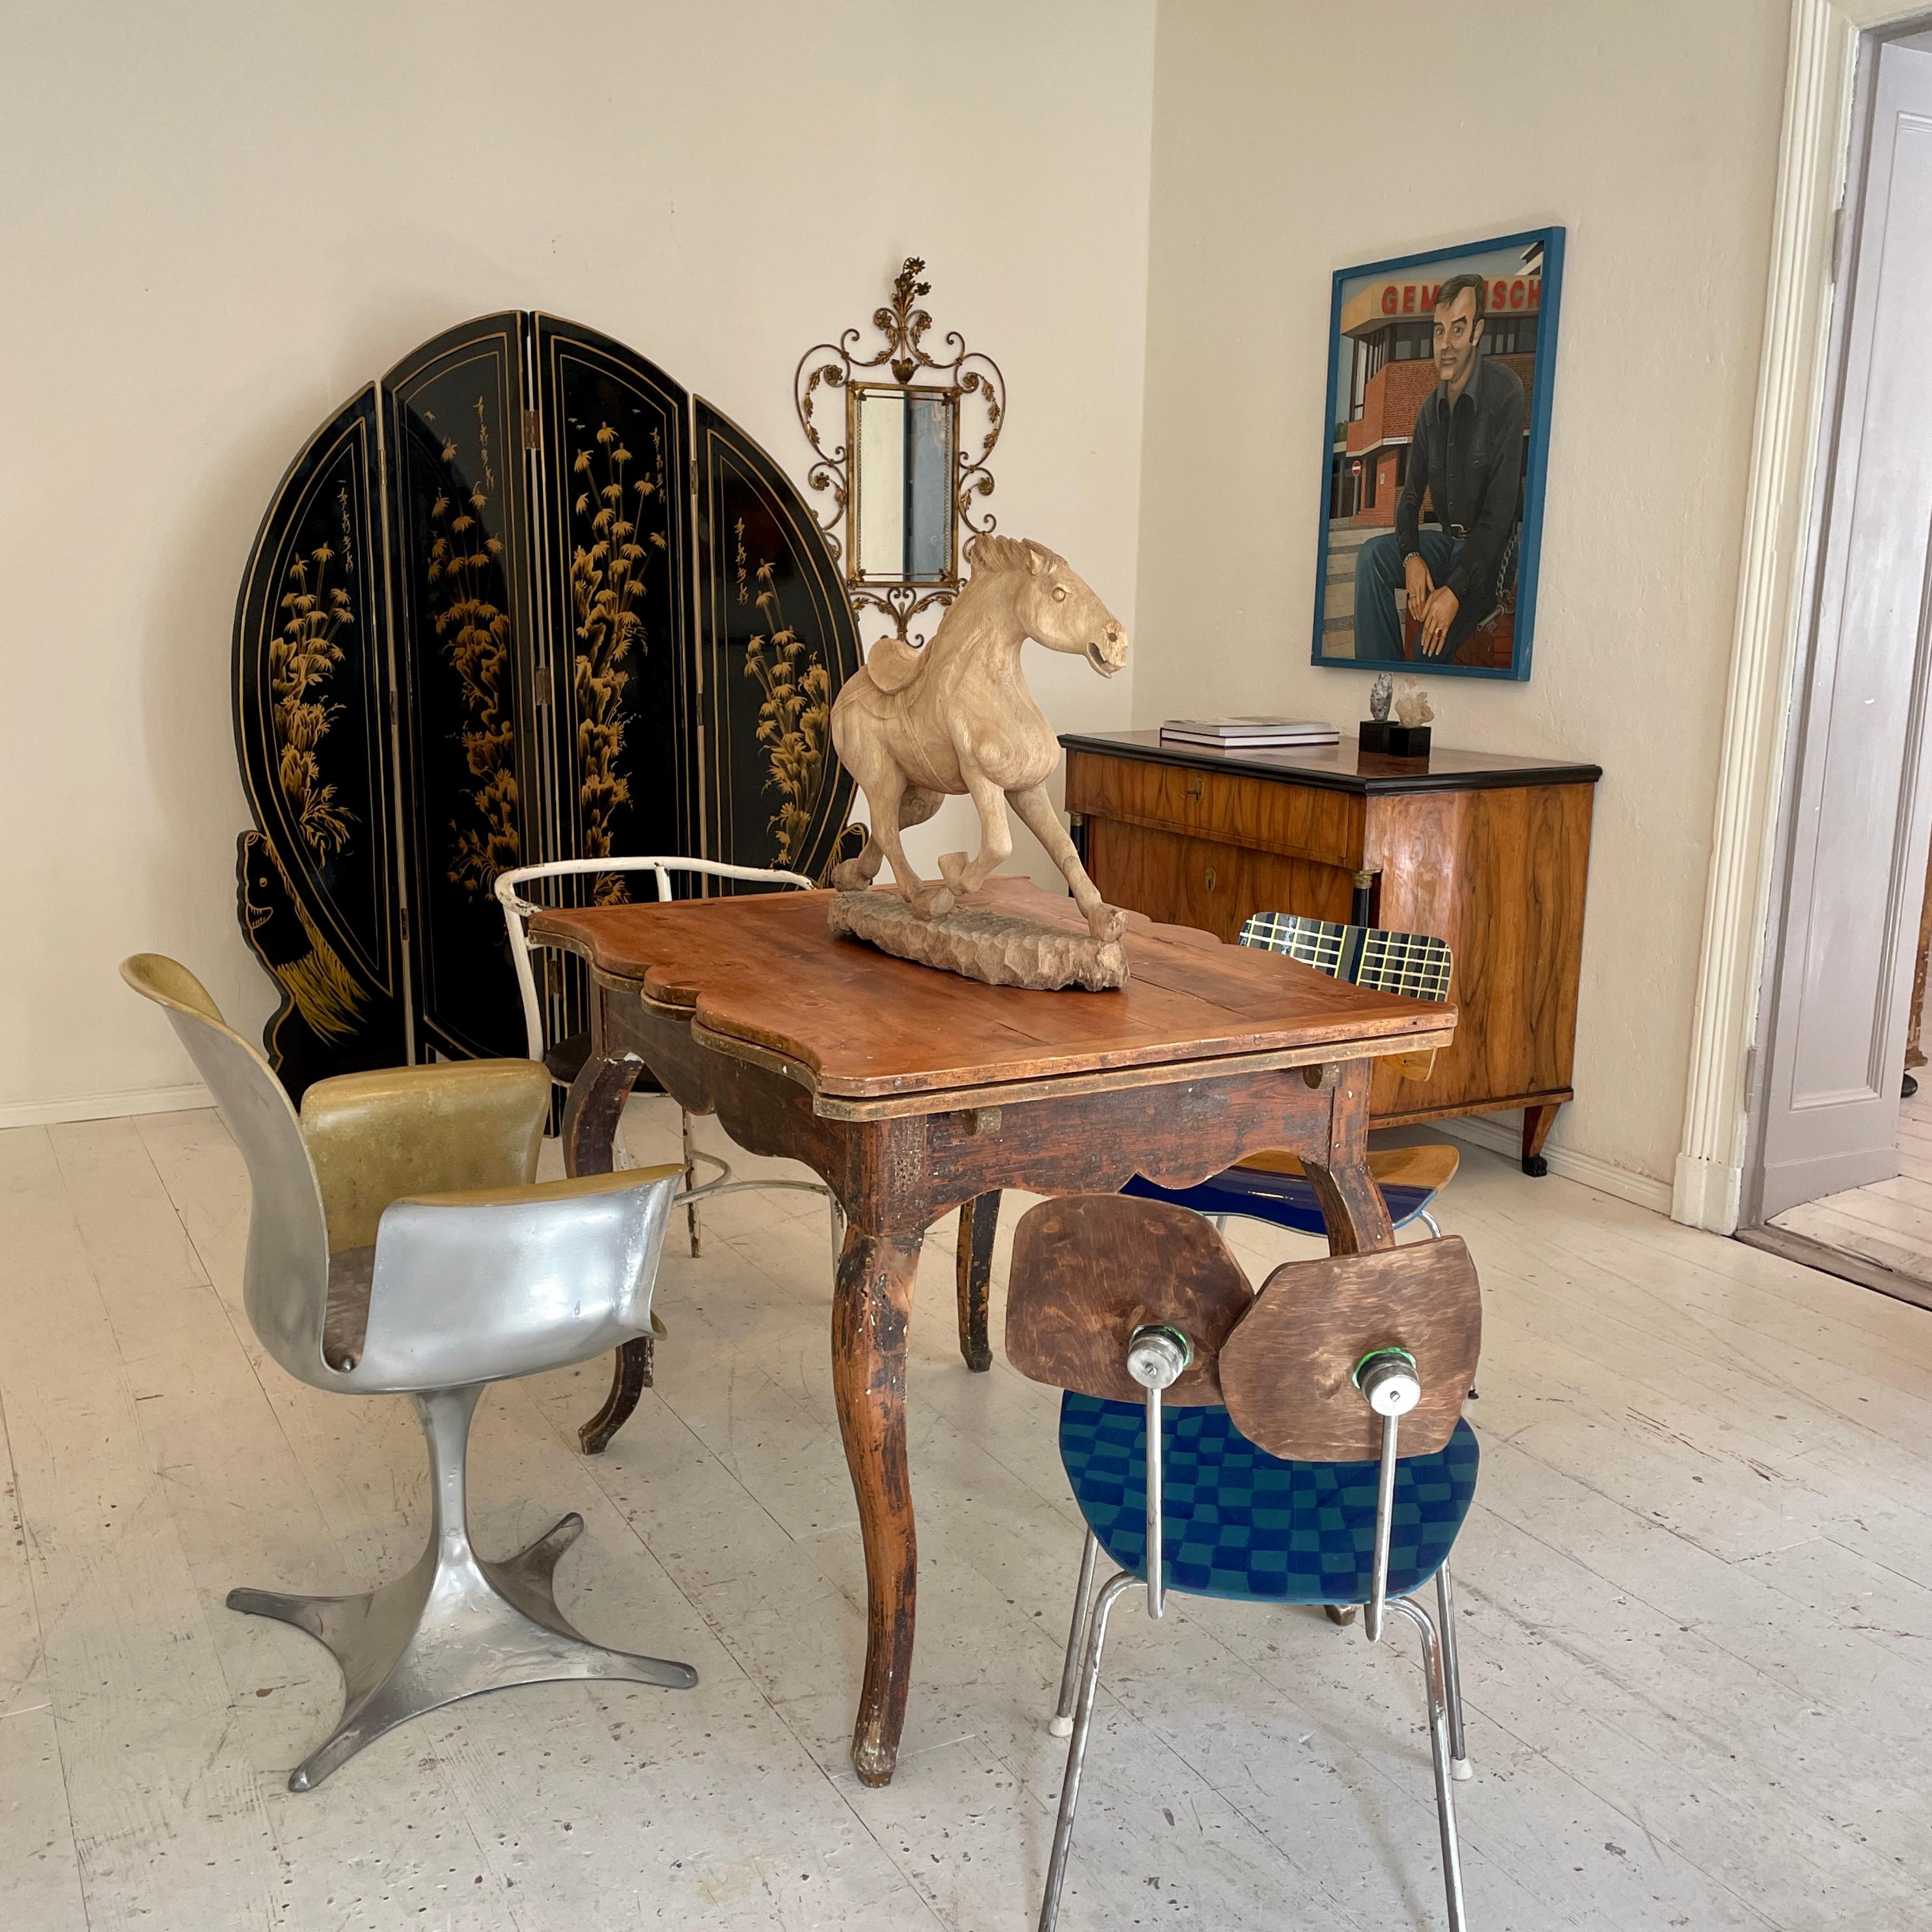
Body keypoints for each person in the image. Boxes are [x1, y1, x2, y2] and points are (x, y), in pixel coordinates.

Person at [1353, 271, 1525, 662]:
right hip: (1446, 544)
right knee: (1371, 559)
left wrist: (1454, 591)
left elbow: (1499, 518)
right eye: (1438, 331)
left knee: (1428, 646)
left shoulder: (1506, 394)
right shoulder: (1428, 411)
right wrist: (1412, 556)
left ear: (1478, 332)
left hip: (1489, 559)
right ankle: (1378, 675)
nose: (1445, 345)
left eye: (1458, 329)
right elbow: (1409, 499)